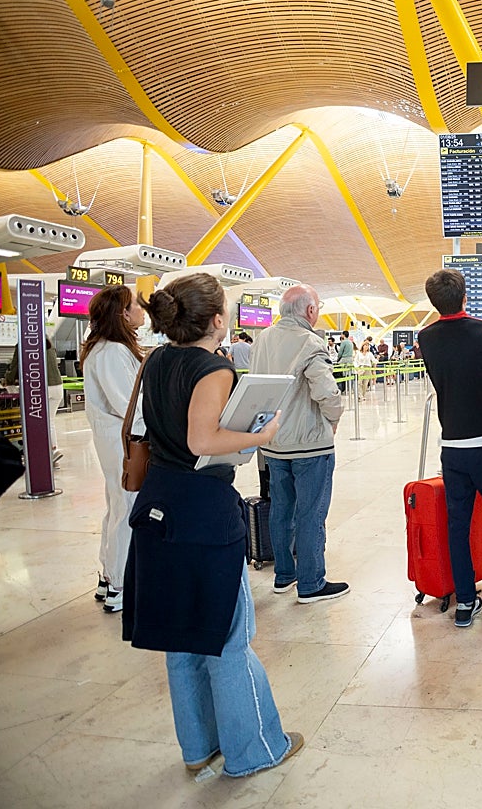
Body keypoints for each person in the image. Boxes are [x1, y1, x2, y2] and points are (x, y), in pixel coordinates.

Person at [125, 272, 302, 777]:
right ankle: (255, 749)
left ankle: (198, 747)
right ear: (219, 319)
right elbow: (202, 440)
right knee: (227, 637)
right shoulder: (212, 369)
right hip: (202, 510)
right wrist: (260, 432)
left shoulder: (156, 359)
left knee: (182, 635)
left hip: (159, 506)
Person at [418, 269, 482, 627]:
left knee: (457, 524)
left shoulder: (427, 338)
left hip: (451, 444)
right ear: (465, 295)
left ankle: (465, 601)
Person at [249, 285, 349, 604]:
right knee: (310, 512)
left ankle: (284, 575)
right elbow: (327, 392)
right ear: (309, 311)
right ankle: (311, 582)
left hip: (273, 441)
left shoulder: (262, 339)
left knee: (281, 509)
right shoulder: (310, 343)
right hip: (309, 445)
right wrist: (333, 420)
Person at [78, 286, 144, 613]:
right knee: (127, 509)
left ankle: (109, 577)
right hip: (123, 443)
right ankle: (120, 585)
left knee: (116, 507)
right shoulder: (113, 352)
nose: (140, 308)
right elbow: (128, 405)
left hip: (113, 442)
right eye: (134, 304)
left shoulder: (103, 350)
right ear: (122, 313)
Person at [5, 337, 65, 465]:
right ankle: (52, 450)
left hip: (41, 387)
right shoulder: (49, 343)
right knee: (50, 421)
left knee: (32, 421)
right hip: (57, 386)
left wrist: (8, 380)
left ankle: (38, 454)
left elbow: (15, 367)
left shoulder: (24, 343)